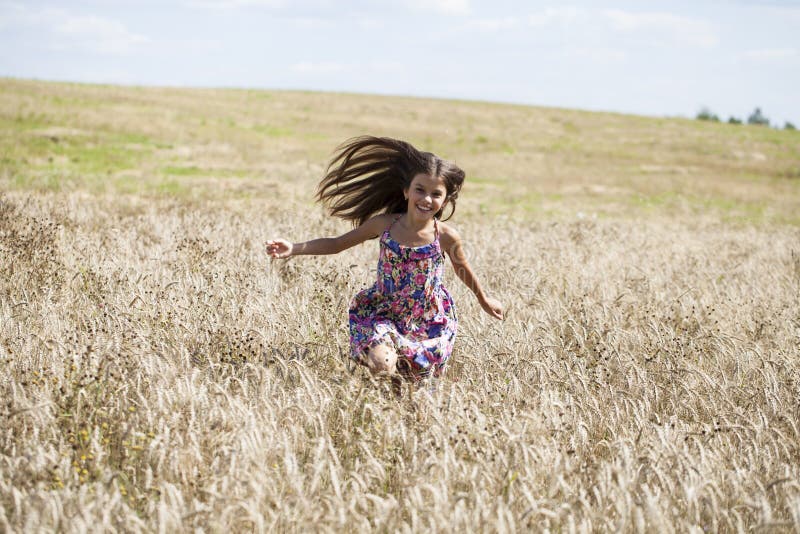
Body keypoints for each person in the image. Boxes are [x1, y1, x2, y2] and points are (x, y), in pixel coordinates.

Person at [266, 136, 503, 389]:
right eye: (420, 190)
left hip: (427, 320)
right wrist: (294, 248)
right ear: (406, 191)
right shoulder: (385, 225)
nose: (426, 199)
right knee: (381, 364)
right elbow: (336, 244)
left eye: (436, 194)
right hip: (383, 312)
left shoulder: (445, 236)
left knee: (415, 391)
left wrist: (483, 299)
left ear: (444, 202)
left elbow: (463, 270)